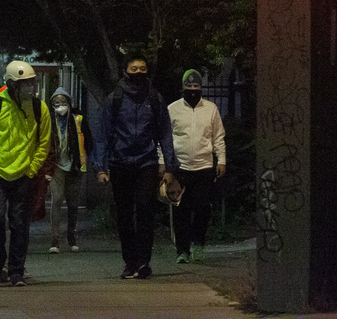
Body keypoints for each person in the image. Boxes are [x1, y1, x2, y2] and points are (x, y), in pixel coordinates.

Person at [91, 52, 180, 280]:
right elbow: (102, 135)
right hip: (120, 163)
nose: (138, 73)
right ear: (125, 71)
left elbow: (165, 134)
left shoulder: (155, 98)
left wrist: (169, 167)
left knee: (145, 210)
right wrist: (100, 167)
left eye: (142, 68)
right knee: (124, 215)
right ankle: (129, 262)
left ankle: (143, 262)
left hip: (146, 163)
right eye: (134, 69)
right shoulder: (115, 99)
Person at [0, 60, 50, 286]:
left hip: (23, 175)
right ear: (10, 84)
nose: (29, 87)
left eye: (30, 83)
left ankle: (16, 270)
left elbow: (43, 143)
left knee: (20, 223)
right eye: (23, 83)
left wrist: (32, 169)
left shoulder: (39, 108)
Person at [165, 69, 226, 263]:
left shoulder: (211, 109)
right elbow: (165, 140)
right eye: (189, 87)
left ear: (201, 88)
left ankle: (198, 242)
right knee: (180, 210)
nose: (192, 90)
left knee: (202, 208)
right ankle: (182, 251)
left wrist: (221, 159)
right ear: (182, 88)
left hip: (204, 167)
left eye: (196, 87)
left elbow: (218, 137)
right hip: (179, 167)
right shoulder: (172, 109)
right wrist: (164, 166)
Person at [45, 87, 91, 254]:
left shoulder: (78, 119)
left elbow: (89, 141)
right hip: (56, 166)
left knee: (73, 204)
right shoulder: (48, 121)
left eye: (63, 102)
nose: (60, 105)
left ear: (69, 103)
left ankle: (71, 236)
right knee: (56, 200)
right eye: (56, 102)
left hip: (74, 166)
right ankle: (55, 239)